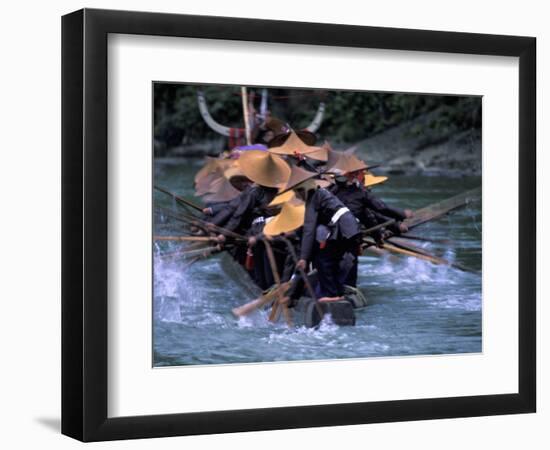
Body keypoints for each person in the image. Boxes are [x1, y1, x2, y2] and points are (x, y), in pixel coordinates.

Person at [281, 165, 361, 301]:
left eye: (297, 191)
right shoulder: (321, 194)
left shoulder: (313, 198)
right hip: (349, 227)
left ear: (303, 189)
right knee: (331, 259)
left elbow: (309, 229)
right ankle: (337, 293)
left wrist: (304, 258)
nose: (296, 195)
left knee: (323, 259)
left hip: (343, 228)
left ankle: (331, 295)